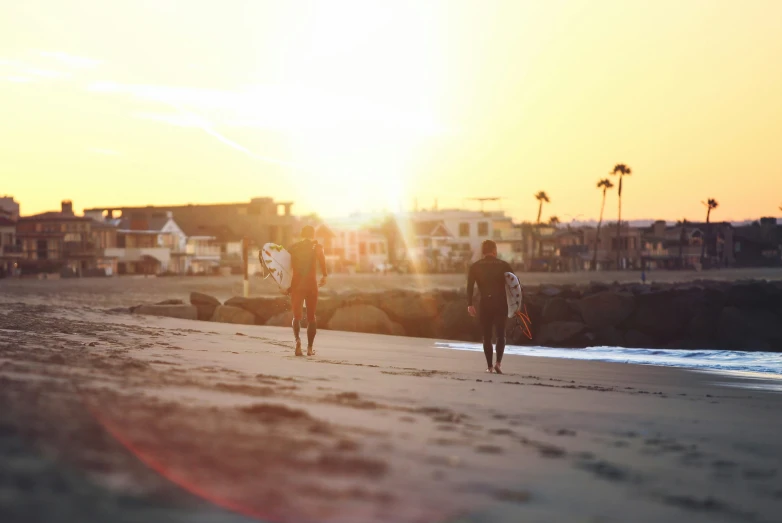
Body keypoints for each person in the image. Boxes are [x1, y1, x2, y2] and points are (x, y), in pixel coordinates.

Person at [467, 240, 515, 374]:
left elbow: (470, 286)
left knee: (487, 336)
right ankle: (498, 363)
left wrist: (469, 304)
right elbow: (514, 285)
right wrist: (515, 305)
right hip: (501, 303)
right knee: (500, 334)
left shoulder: (475, 266)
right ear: (494, 251)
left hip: (485, 303)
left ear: (483, 252)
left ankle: (489, 367)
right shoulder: (504, 265)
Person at [288, 225, 328, 356]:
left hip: (297, 285)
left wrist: (284, 285)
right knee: (311, 317)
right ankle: (310, 348)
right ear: (313, 235)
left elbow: (284, 267)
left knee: (296, 316)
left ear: (301, 234)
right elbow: (321, 258)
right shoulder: (317, 247)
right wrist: (324, 275)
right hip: (311, 285)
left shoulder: (293, 248)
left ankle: (297, 341)